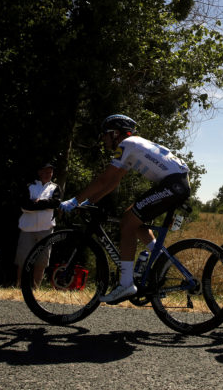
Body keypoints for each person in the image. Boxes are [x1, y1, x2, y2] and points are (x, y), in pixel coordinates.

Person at [60, 114, 190, 303]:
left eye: (105, 135)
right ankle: (161, 260)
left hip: (173, 185)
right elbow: (113, 182)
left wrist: (73, 201)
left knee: (127, 223)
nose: (103, 140)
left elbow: (104, 179)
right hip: (175, 183)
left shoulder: (127, 144)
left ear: (115, 133)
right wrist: (89, 202)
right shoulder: (133, 146)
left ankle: (126, 284)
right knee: (131, 217)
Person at [15, 162, 62, 287]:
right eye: (46, 172)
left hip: (46, 228)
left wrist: (38, 203)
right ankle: (20, 286)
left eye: (50, 172)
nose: (48, 174)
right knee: (23, 259)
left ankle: (36, 288)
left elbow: (56, 203)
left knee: (42, 261)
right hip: (27, 228)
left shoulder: (55, 187)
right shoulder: (29, 186)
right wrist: (45, 205)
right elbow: (24, 205)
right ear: (39, 172)